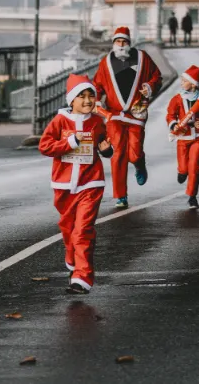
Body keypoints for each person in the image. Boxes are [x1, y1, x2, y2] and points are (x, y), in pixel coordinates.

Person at [39, 74, 113, 294]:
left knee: (83, 230)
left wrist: (106, 149)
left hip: (91, 182)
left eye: (91, 96)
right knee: (68, 229)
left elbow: (105, 147)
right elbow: (45, 146)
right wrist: (70, 142)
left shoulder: (98, 122)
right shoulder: (60, 121)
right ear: (71, 100)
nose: (88, 101)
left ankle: (82, 277)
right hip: (63, 184)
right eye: (82, 96)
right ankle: (72, 261)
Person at [93, 26, 162, 209]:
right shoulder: (105, 63)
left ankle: (140, 163)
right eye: (118, 41)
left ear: (129, 43)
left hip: (136, 114)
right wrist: (96, 100)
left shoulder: (142, 58)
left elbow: (157, 76)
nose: (121, 45)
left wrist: (149, 86)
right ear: (113, 43)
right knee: (118, 154)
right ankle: (121, 195)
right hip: (114, 115)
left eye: (124, 42)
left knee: (134, 153)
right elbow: (97, 85)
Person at [166, 66, 199, 209]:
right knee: (184, 168)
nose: (181, 83)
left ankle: (192, 196)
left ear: (193, 83)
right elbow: (170, 115)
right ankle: (181, 172)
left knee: (194, 167)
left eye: (184, 81)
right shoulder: (177, 99)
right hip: (183, 138)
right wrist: (173, 125)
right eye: (182, 80)